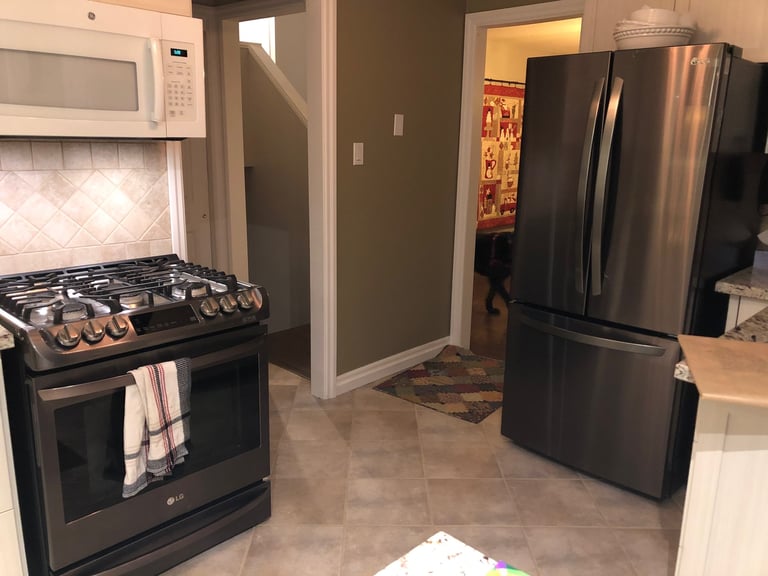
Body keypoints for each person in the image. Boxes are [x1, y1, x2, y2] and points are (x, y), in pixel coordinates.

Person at [474, 230, 513, 315]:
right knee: (497, 280)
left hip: (488, 252)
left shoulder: (506, 242)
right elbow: (496, 282)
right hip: (483, 253)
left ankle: (489, 304)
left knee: (497, 280)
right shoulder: (505, 249)